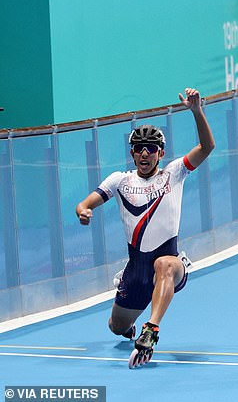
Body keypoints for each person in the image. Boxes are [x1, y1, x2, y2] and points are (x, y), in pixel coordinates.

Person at [75, 87, 215, 368]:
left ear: (160, 152)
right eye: (139, 148)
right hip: (136, 272)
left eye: (151, 149)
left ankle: (151, 330)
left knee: (164, 264)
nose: (144, 154)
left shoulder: (174, 173)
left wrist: (197, 112)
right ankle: (132, 327)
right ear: (132, 152)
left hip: (170, 264)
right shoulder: (119, 180)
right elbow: (87, 201)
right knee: (115, 326)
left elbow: (206, 147)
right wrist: (84, 210)